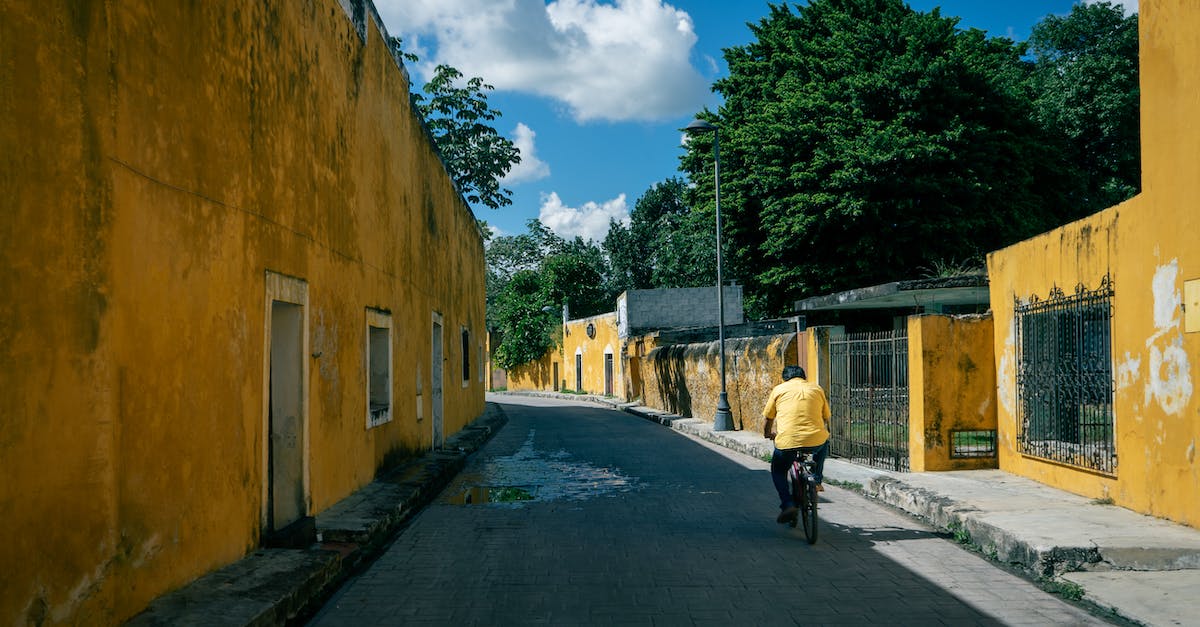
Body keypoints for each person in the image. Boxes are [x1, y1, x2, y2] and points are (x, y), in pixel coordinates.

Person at [762, 365, 831, 524]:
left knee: (778, 470)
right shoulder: (816, 389)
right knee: (824, 443)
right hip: (815, 440)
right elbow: (826, 416)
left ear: (785, 378)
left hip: (787, 442)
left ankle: (787, 503)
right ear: (803, 376)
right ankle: (817, 480)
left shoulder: (779, 390)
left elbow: (768, 418)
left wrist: (768, 434)